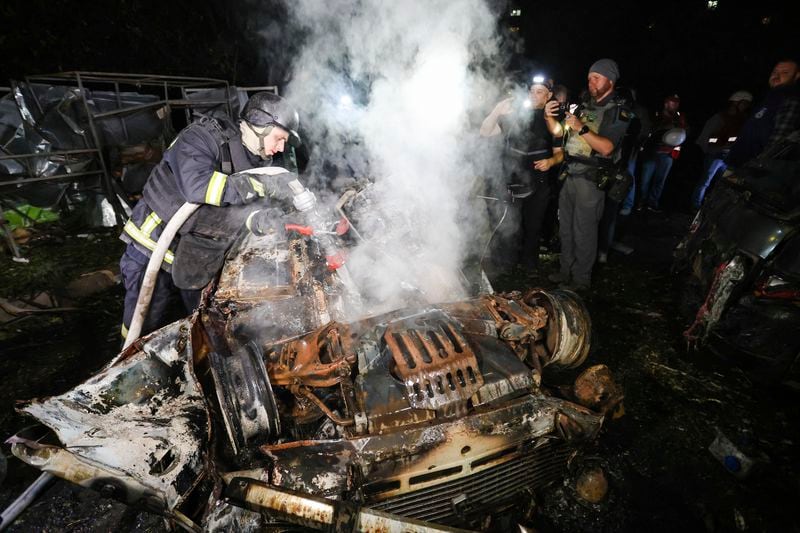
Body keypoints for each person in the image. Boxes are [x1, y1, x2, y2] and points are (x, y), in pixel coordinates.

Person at [119, 92, 302, 339]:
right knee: (143, 327)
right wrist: (255, 185)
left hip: (199, 255)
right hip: (153, 246)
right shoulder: (201, 137)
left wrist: (260, 219)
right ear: (260, 125)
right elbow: (197, 187)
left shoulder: (255, 161)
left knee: (202, 326)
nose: (281, 147)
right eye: (279, 138)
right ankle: (129, 370)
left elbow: (237, 212)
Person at [550, 59, 632, 290]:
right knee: (565, 227)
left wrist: (580, 128)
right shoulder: (586, 103)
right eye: (589, 78)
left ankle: (581, 279)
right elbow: (569, 133)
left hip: (592, 177)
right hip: (571, 172)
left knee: (584, 231)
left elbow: (607, 147)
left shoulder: (618, 110)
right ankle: (565, 272)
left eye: (596, 77)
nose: (591, 82)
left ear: (610, 80)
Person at [480, 75, 564, 273]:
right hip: (513, 180)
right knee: (511, 225)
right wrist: (496, 112)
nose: (534, 95)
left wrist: (550, 161)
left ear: (549, 95)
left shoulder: (552, 118)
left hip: (539, 181)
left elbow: (560, 154)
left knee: (533, 226)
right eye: (532, 91)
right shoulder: (516, 116)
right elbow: (485, 132)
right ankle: (506, 263)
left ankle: (529, 265)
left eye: (540, 92)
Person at [727, 58, 800, 168]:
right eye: (774, 72)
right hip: (735, 164)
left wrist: (760, 165)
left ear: (797, 76)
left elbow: (780, 140)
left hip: (754, 171)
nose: (776, 75)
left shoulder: (791, 98)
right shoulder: (769, 98)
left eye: (785, 72)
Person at [691, 90, 753, 209]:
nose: (745, 107)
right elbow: (704, 138)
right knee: (705, 182)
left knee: (723, 184)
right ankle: (695, 206)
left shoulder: (743, 119)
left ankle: (711, 207)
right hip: (715, 156)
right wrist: (716, 145)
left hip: (730, 157)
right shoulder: (720, 117)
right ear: (736, 103)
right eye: (744, 103)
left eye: (747, 104)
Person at [637, 94, 687, 212]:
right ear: (666, 103)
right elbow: (649, 129)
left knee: (660, 181)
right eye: (672, 102)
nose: (675, 105)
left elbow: (684, 132)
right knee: (645, 179)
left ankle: (652, 203)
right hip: (652, 152)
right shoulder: (656, 114)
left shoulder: (680, 117)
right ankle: (641, 202)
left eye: (677, 103)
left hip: (668, 154)